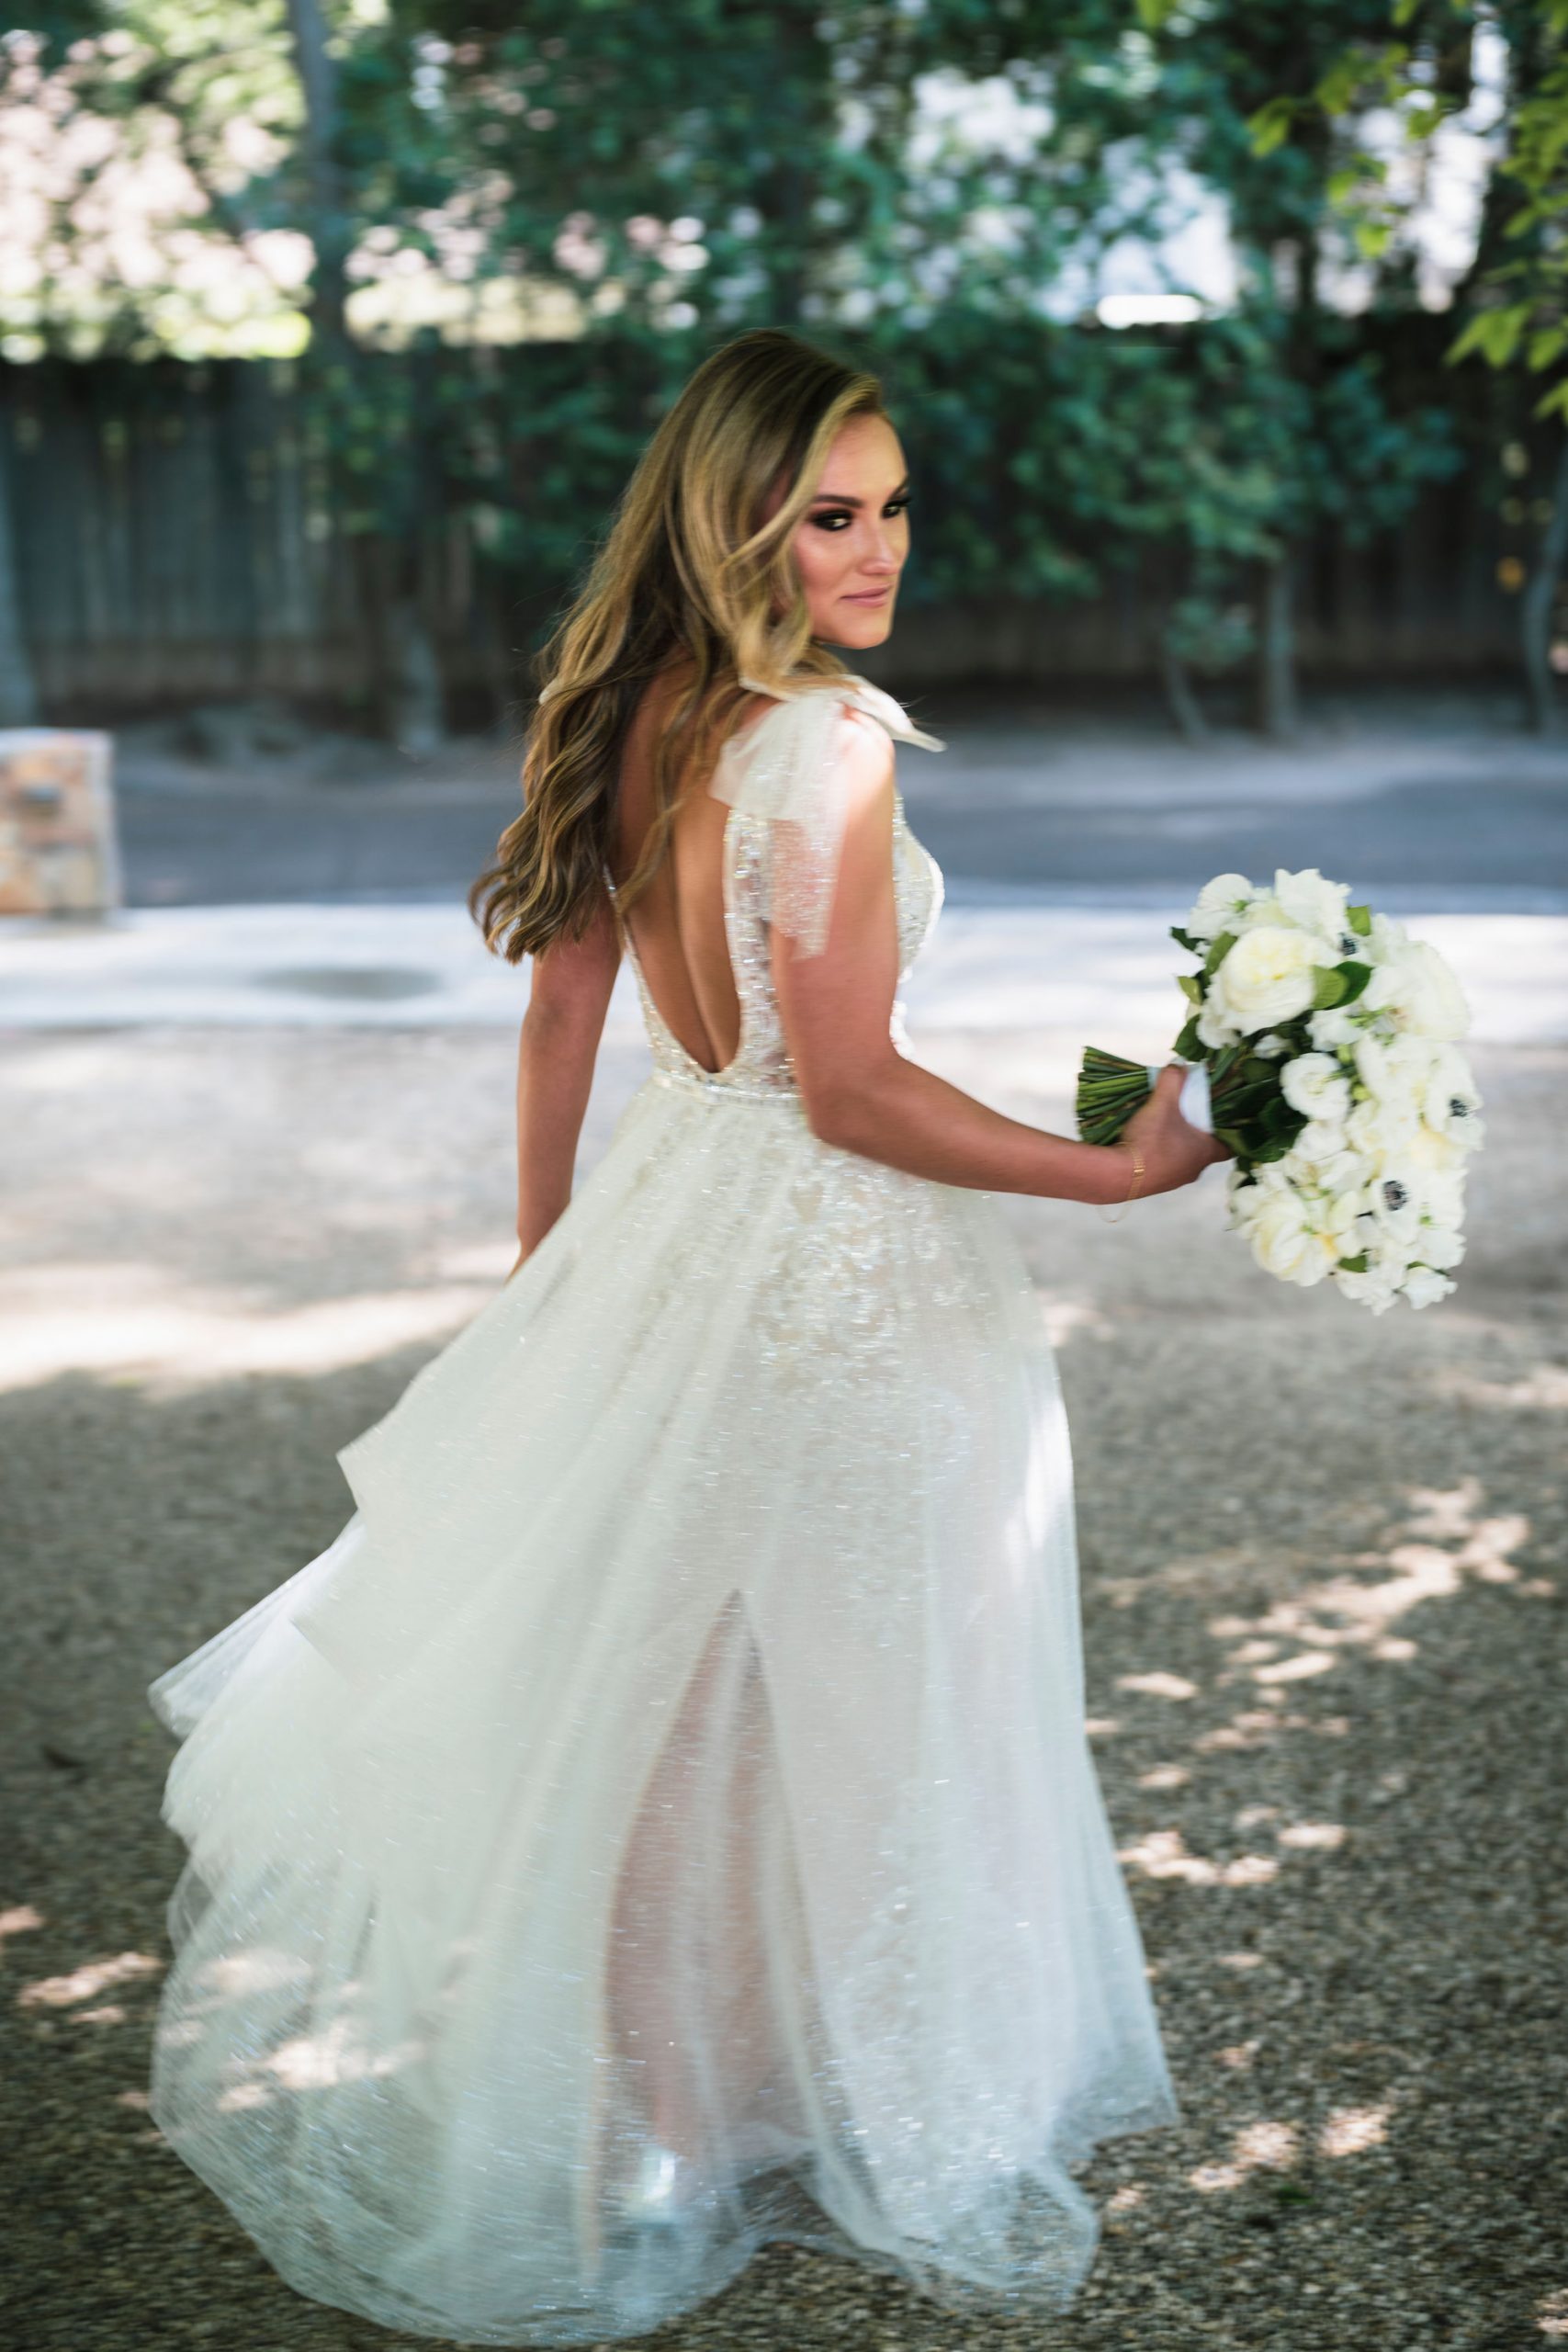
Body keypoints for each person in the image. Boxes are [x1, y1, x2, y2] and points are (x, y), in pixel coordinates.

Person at [145, 327, 1228, 2346]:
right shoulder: (829, 742)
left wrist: (554, 1276)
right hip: (833, 1275)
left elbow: (565, 1007)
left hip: (670, 1220)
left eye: (892, 509)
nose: (878, 549)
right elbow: (852, 1090)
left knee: (658, 1698)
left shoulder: (629, 709)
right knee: (861, 1688)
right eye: (830, 515)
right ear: (736, 520)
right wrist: (1116, 1174)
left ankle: (650, 2118)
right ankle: (794, 2096)